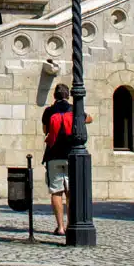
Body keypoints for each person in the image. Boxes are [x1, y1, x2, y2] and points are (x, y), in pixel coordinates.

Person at [42, 83, 92, 236]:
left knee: (56, 192)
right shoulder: (74, 109)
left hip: (54, 155)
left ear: (55, 96)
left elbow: (45, 130)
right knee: (71, 192)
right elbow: (89, 119)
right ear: (68, 95)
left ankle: (60, 227)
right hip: (72, 155)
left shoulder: (49, 111)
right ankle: (71, 224)